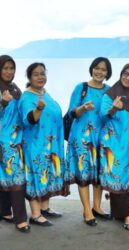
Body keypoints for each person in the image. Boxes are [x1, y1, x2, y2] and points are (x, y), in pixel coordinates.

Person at [18, 62, 68, 226]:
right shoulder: (26, 97)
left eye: (43, 73)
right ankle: (35, 213)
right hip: (35, 145)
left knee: (48, 174)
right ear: (29, 77)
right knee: (36, 176)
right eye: (36, 74)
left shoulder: (45, 93)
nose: (40, 77)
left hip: (51, 144)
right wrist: (38, 109)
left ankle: (45, 208)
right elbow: (29, 120)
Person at [65, 57, 111, 226]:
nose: (100, 72)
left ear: (108, 73)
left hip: (101, 138)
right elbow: (71, 113)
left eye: (104, 69)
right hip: (82, 138)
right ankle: (86, 210)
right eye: (97, 68)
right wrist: (83, 108)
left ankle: (97, 207)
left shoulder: (109, 90)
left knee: (98, 173)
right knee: (84, 173)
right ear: (92, 69)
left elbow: (111, 114)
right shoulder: (81, 87)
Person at [99, 63, 129, 231]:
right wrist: (113, 109)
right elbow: (102, 117)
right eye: (125, 74)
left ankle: (119, 213)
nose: (128, 77)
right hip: (113, 144)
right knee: (118, 177)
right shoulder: (110, 94)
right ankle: (127, 216)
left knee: (125, 178)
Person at [0, 55, 30, 232]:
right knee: (16, 177)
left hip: (16, 140)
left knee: (6, 174)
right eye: (5, 68)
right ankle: (21, 218)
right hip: (3, 141)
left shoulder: (15, 89)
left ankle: (4, 211)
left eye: (12, 68)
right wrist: (2, 103)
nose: (9, 72)